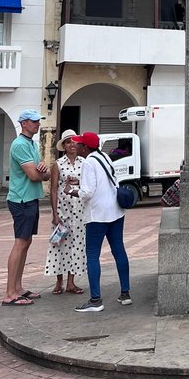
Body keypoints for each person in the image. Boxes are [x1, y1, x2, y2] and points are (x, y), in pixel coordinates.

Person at [70, 131, 131, 312]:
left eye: (79, 144)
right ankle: (125, 293)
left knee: (92, 254)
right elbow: (104, 181)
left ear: (85, 147)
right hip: (115, 210)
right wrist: (79, 182)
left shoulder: (88, 162)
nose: (77, 146)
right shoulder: (103, 156)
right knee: (118, 250)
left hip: (98, 214)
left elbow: (88, 192)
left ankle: (95, 299)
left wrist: (72, 191)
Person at [2, 110, 48, 307]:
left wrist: (42, 171)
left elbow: (42, 171)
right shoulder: (20, 144)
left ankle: (18, 288)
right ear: (24, 123)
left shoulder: (31, 144)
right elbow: (35, 175)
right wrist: (42, 173)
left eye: (38, 121)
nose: (38, 124)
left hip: (30, 198)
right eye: (34, 121)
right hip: (21, 199)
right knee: (20, 243)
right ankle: (10, 293)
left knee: (26, 242)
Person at [44, 129, 86, 295]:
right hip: (63, 210)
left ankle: (71, 282)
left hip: (80, 210)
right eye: (68, 142)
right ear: (64, 145)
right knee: (59, 244)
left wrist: (78, 181)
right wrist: (55, 213)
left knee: (76, 245)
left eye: (74, 141)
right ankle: (58, 281)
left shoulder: (84, 162)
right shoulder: (58, 164)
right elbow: (53, 189)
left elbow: (89, 184)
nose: (72, 145)